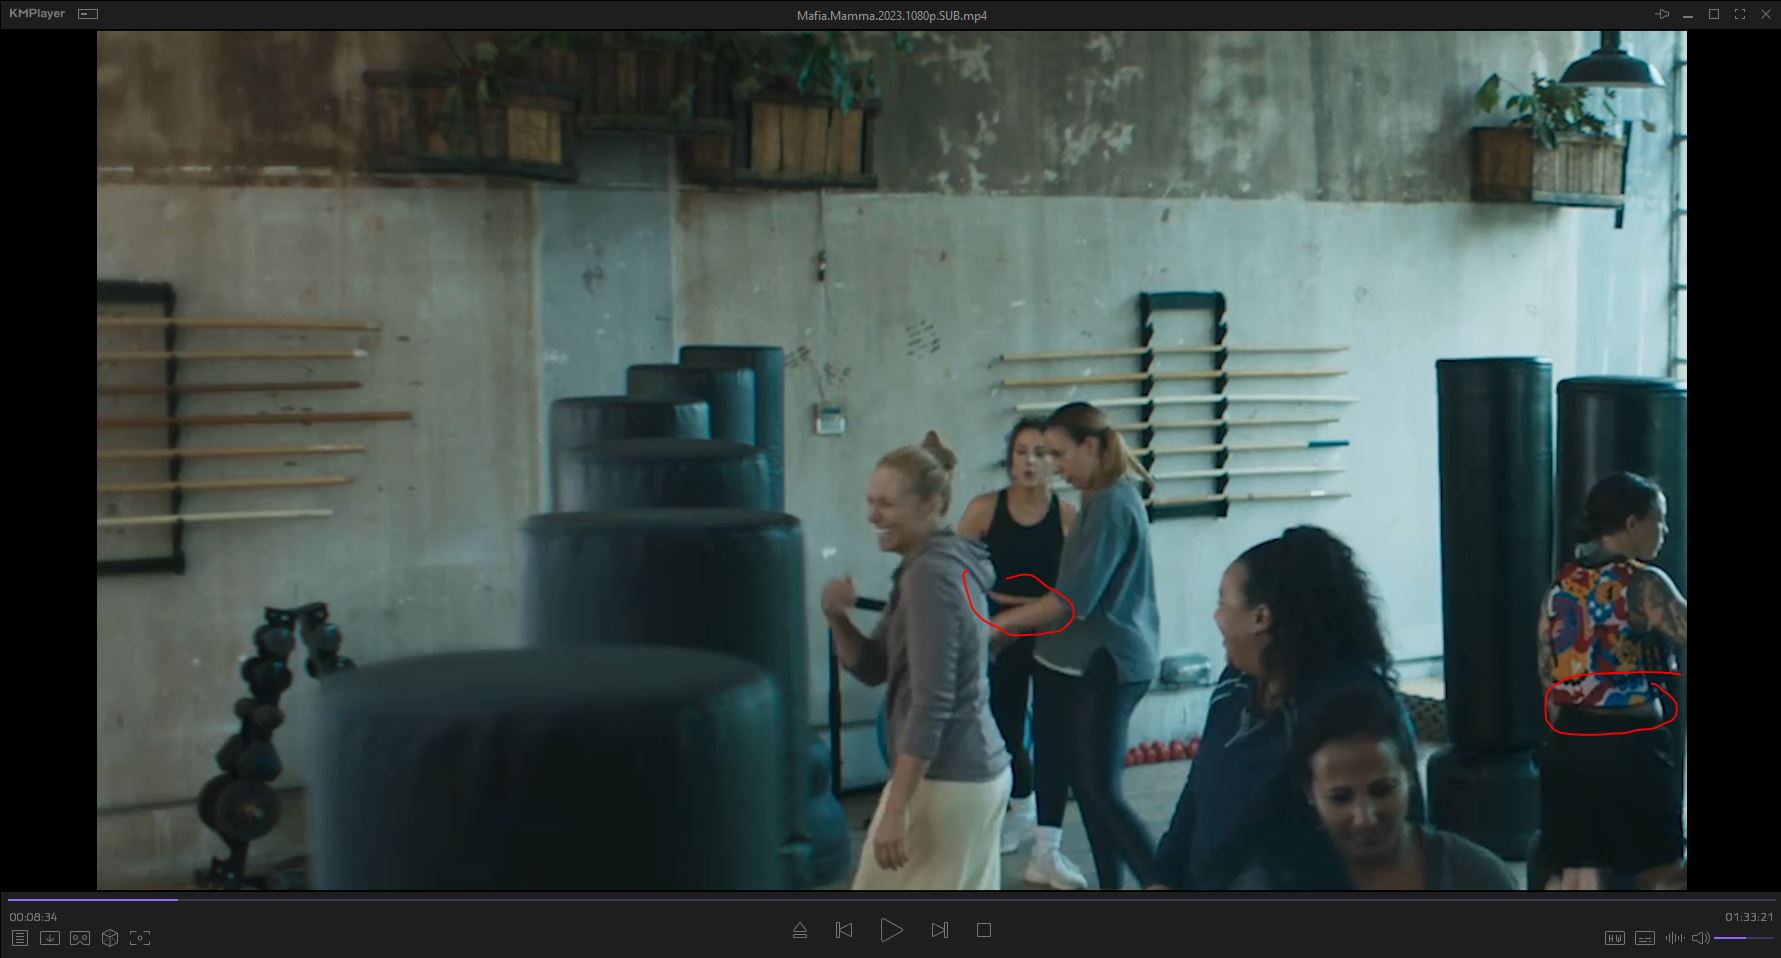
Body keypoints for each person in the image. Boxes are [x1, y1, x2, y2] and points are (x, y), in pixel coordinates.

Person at [1152, 525, 1426, 890]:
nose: (1217, 617)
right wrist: (1164, 877)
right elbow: (1199, 787)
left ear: (1260, 617)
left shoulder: (1351, 704)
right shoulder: (1235, 685)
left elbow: (1396, 830)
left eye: (1223, 603)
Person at [822, 431, 1013, 890]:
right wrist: (836, 617)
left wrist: (895, 809)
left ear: (930, 506)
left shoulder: (931, 576)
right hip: (964, 776)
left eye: (887, 504)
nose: (873, 515)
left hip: (949, 780)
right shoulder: (924, 567)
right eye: (871, 502)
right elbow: (872, 667)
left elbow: (933, 702)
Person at [986, 402, 1161, 890]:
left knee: (1100, 791)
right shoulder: (1098, 497)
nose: (1054, 466)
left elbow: (1071, 602)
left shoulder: (1110, 505)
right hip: (1077, 661)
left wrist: (998, 626)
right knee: (1090, 790)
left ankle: (1161, 884)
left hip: (1108, 662)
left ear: (1090, 446)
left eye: (1059, 454)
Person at [1212, 683, 1518, 890]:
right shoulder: (1273, 883)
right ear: (1309, 793)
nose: (1365, 817)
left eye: (1382, 790)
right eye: (1341, 798)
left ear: (1410, 776)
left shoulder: (1475, 879)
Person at [1539, 472, 1688, 891]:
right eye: (1660, 520)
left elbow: (1547, 672)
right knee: (1664, 873)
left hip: (1568, 744)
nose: (1665, 531)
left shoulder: (1562, 584)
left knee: (1575, 878)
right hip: (1630, 749)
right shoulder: (1641, 582)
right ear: (1633, 523)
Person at [956, 417, 1081, 865]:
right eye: (1022, 452)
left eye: (1040, 453)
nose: (1030, 462)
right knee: (1003, 722)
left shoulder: (1067, 517)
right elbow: (953, 570)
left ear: (1055, 461)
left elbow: (1078, 589)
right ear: (1010, 459)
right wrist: (979, 623)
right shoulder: (984, 509)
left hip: (1050, 628)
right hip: (999, 629)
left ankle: (1049, 837)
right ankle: (1020, 806)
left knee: (1051, 728)